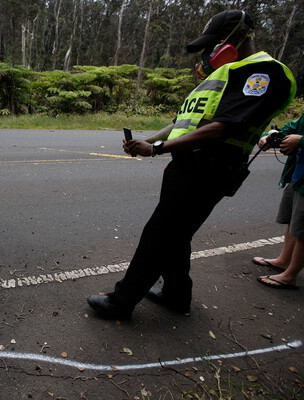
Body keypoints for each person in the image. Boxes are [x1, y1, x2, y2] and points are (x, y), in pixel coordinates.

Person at [87, 9, 297, 319]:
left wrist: (157, 148)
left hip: (211, 167)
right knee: (175, 233)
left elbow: (222, 127)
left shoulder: (264, 72)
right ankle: (176, 295)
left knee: (160, 233)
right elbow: (184, 123)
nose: (209, 51)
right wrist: (147, 141)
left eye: (214, 42)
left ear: (239, 35)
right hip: (185, 166)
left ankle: (122, 301)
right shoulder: (221, 76)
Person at [252, 114, 304, 289]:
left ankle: (290, 275)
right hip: (298, 174)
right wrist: (269, 136)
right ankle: (283, 261)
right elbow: (289, 128)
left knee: (303, 229)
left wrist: (301, 140)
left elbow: (299, 137)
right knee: (291, 218)